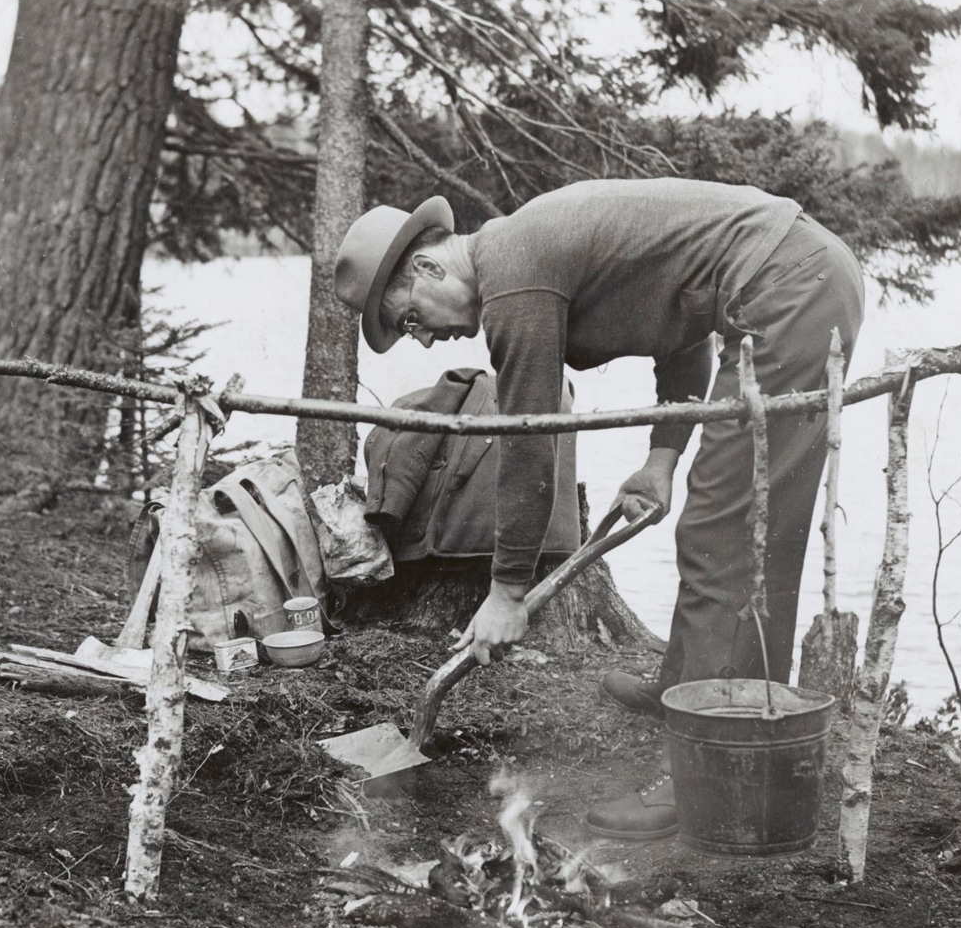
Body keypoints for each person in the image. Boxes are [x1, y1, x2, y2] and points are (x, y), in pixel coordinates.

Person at [334, 178, 864, 839]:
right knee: (753, 522)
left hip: (790, 289)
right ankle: (697, 695)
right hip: (799, 280)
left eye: (409, 317)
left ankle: (701, 773)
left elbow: (528, 440)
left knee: (726, 534)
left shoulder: (514, 278)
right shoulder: (519, 258)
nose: (422, 339)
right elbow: (683, 327)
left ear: (428, 265)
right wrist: (662, 458)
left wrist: (506, 591)